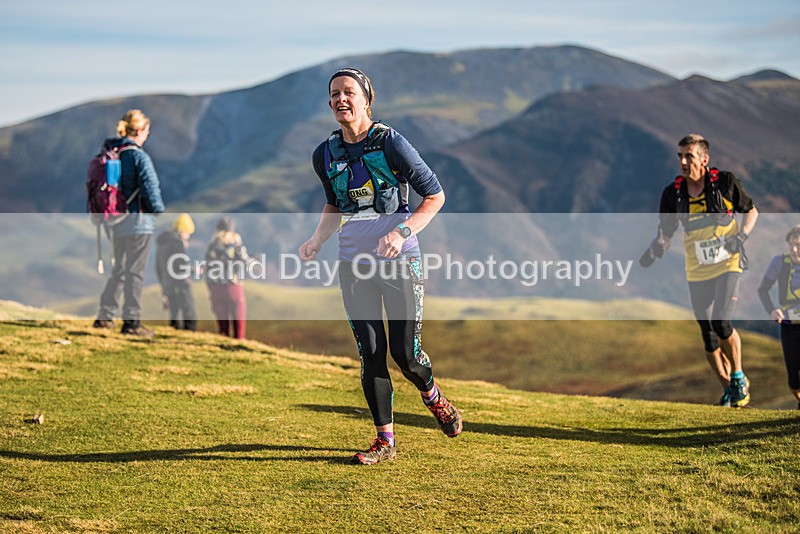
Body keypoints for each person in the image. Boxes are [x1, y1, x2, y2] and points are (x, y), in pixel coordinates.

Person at [299, 67, 462, 465]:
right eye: (334, 93)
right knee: (371, 353)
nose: (341, 99)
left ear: (366, 99)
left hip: (399, 261)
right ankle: (384, 441)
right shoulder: (325, 154)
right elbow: (335, 204)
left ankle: (433, 396)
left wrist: (402, 232)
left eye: (349, 92)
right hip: (353, 264)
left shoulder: (390, 143)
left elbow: (435, 196)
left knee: (405, 355)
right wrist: (318, 238)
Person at [641, 133, 758, 407]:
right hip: (697, 270)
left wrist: (741, 237)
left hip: (728, 263)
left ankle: (738, 375)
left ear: (704, 160)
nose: (683, 161)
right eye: (680, 156)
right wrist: (658, 247)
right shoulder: (672, 194)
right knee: (707, 335)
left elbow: (751, 211)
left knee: (721, 322)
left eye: (689, 156)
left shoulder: (725, 183)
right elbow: (667, 232)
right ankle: (729, 388)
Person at [93, 109, 165, 336]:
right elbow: (150, 189)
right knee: (135, 271)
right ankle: (132, 323)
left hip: (115, 221)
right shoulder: (138, 156)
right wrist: (157, 211)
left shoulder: (112, 152)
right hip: (138, 221)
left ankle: (105, 316)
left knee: (120, 269)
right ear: (141, 130)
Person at [757, 224, 800, 409]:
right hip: (789, 326)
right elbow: (763, 290)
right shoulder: (779, 262)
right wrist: (772, 310)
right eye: (792, 244)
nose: (795, 249)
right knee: (793, 377)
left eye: (799, 244)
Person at [205, 217, 251, 339]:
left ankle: (223, 352)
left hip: (215, 288)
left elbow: (207, 269)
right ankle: (239, 353)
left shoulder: (211, 246)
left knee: (223, 330)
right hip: (233, 287)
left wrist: (211, 287)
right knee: (238, 328)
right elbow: (245, 262)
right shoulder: (236, 245)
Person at [155, 213, 198, 331]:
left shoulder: (162, 243)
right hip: (181, 284)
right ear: (183, 230)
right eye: (188, 233)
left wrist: (163, 288)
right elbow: (181, 266)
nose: (188, 237)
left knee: (175, 313)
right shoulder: (177, 243)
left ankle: (175, 333)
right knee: (189, 312)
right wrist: (194, 270)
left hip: (168, 284)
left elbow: (158, 268)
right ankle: (190, 337)